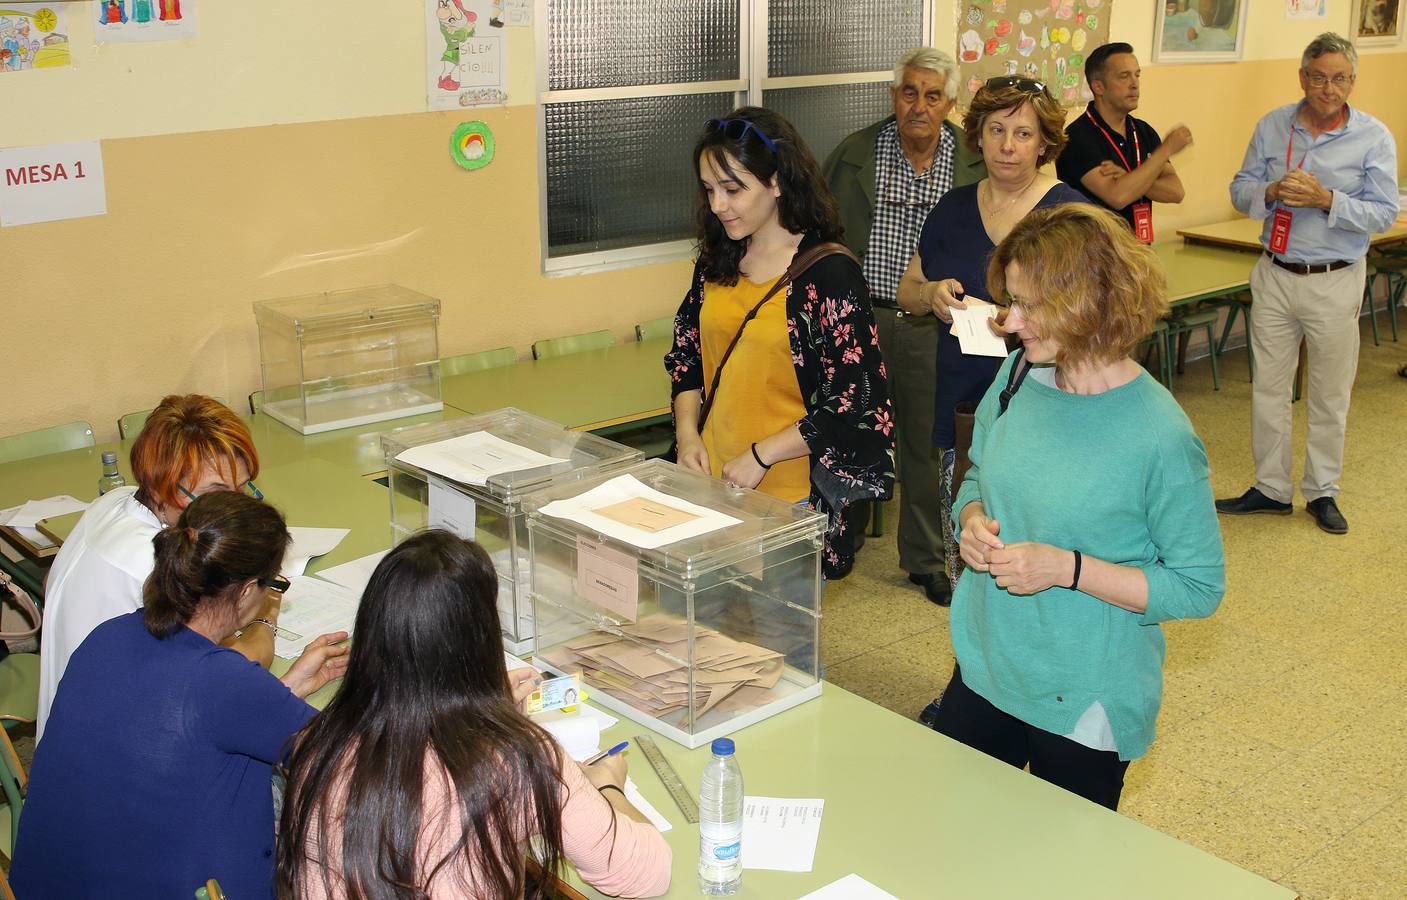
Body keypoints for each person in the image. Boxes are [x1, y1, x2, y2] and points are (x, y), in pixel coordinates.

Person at [928, 204, 1225, 810]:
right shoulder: (1016, 376)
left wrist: (1066, 568)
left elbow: (1198, 587)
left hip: (1085, 694)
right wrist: (972, 520)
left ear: (1089, 303)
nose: (1010, 321)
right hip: (988, 664)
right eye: (1009, 299)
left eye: (1028, 305)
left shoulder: (1160, 435)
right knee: (960, 838)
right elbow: (977, 475)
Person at [277, 530, 672, 899]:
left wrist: (488, 711)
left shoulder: (318, 742)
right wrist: (607, 787)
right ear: (481, 639)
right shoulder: (515, 761)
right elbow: (645, 873)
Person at [11, 493, 351, 898]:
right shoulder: (223, 681)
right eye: (272, 585)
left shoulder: (108, 635)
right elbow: (344, 761)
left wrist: (284, 688)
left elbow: (181, 724)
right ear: (245, 593)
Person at [666, 106, 895, 579]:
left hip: (787, 499)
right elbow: (687, 356)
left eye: (733, 189)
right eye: (709, 190)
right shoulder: (717, 260)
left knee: (782, 646)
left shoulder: (827, 273)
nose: (718, 205)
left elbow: (857, 402)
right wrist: (687, 435)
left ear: (777, 182)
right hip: (709, 487)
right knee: (704, 641)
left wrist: (761, 455)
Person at [896, 76, 1084, 614]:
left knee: (1028, 548)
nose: (1007, 145)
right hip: (965, 405)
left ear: (1044, 142)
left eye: (1023, 133)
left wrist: (1026, 319)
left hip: (1045, 403)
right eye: (996, 129)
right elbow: (908, 289)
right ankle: (972, 679)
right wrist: (930, 294)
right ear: (976, 135)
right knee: (969, 545)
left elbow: (1094, 317)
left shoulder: (1068, 215)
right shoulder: (952, 207)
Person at [822, 47, 985, 605]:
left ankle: (924, 559)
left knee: (922, 442)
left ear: (950, 103)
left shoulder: (973, 158)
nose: (919, 105)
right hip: (859, 318)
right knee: (846, 433)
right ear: (895, 97)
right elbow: (817, 229)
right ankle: (836, 540)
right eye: (910, 92)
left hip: (929, 322)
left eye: (933, 95)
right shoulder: (855, 154)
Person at [1219, 33, 1399, 534]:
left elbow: (1384, 214)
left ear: (1352, 82)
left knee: (1328, 392)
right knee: (1268, 389)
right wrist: (1271, 190)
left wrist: (1327, 200)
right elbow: (1239, 190)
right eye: (1319, 77)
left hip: (1335, 278)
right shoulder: (1273, 125)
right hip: (1275, 271)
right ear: (1303, 78)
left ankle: (1322, 491)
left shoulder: (1374, 137)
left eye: (1339, 78)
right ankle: (1271, 489)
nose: (1328, 88)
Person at [36, 394, 273, 740]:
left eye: (242, 489)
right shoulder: (159, 568)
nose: (232, 509)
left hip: (70, 731)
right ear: (161, 488)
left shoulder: (113, 501)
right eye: (214, 493)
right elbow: (238, 668)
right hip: (117, 754)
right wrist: (268, 609)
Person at [1056, 42, 1191, 244]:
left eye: (1137, 75)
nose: (1135, 84)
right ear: (1098, 86)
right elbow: (1118, 196)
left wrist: (1129, 179)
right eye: (1124, 76)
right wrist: (1165, 150)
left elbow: (1175, 192)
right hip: (1092, 259)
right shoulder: (1077, 138)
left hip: (1138, 254)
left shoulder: (1143, 131)